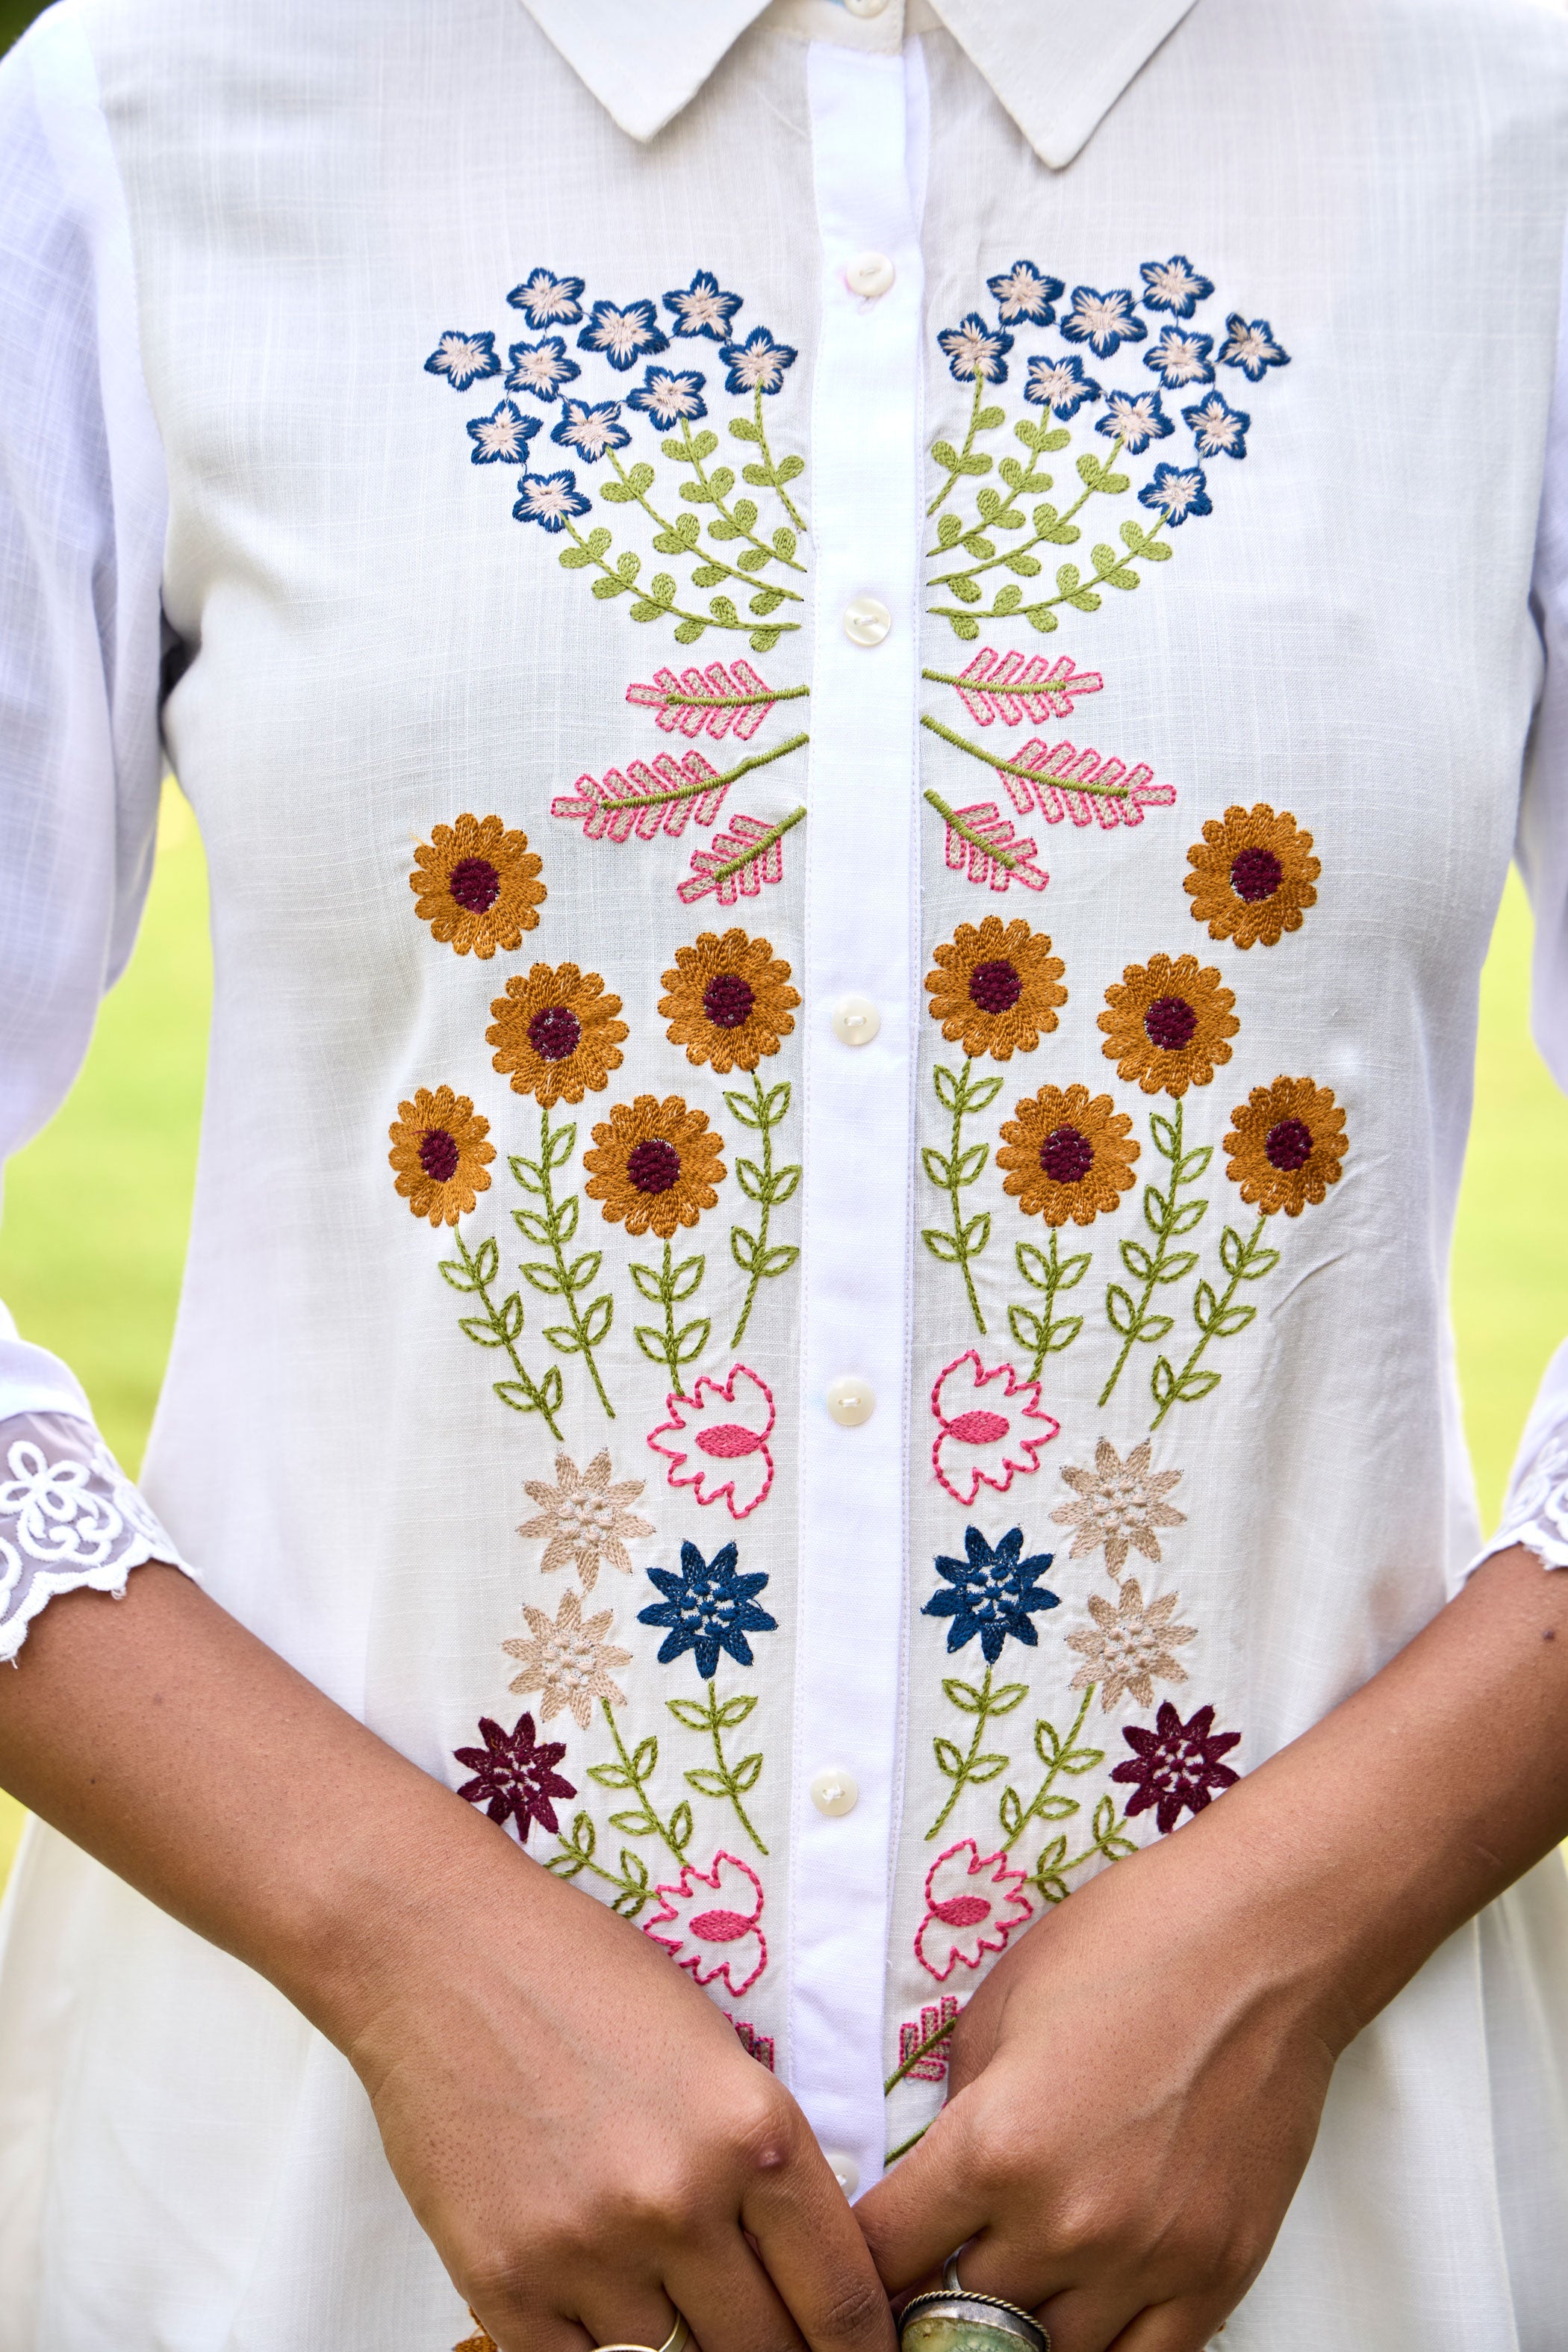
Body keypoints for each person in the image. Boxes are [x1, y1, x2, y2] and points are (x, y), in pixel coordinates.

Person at [1, 0, 1567, 2345]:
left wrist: (1295, 1924)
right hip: (306, 2211)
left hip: (1318, 2224)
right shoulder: (147, 127)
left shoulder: (1513, 140)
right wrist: (391, 1931)